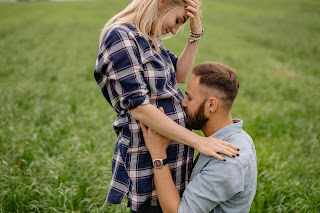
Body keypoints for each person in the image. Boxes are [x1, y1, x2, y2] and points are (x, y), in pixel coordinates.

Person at [93, 0, 239, 212]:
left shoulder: (150, 40)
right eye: (178, 20)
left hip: (175, 156)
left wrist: (195, 34)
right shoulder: (121, 36)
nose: (175, 29)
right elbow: (139, 107)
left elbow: (180, 74)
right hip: (148, 157)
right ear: (162, 3)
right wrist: (199, 142)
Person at [140, 62, 257, 213]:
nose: (183, 103)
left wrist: (158, 155)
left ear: (211, 105)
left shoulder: (227, 162)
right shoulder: (239, 137)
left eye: (189, 98)